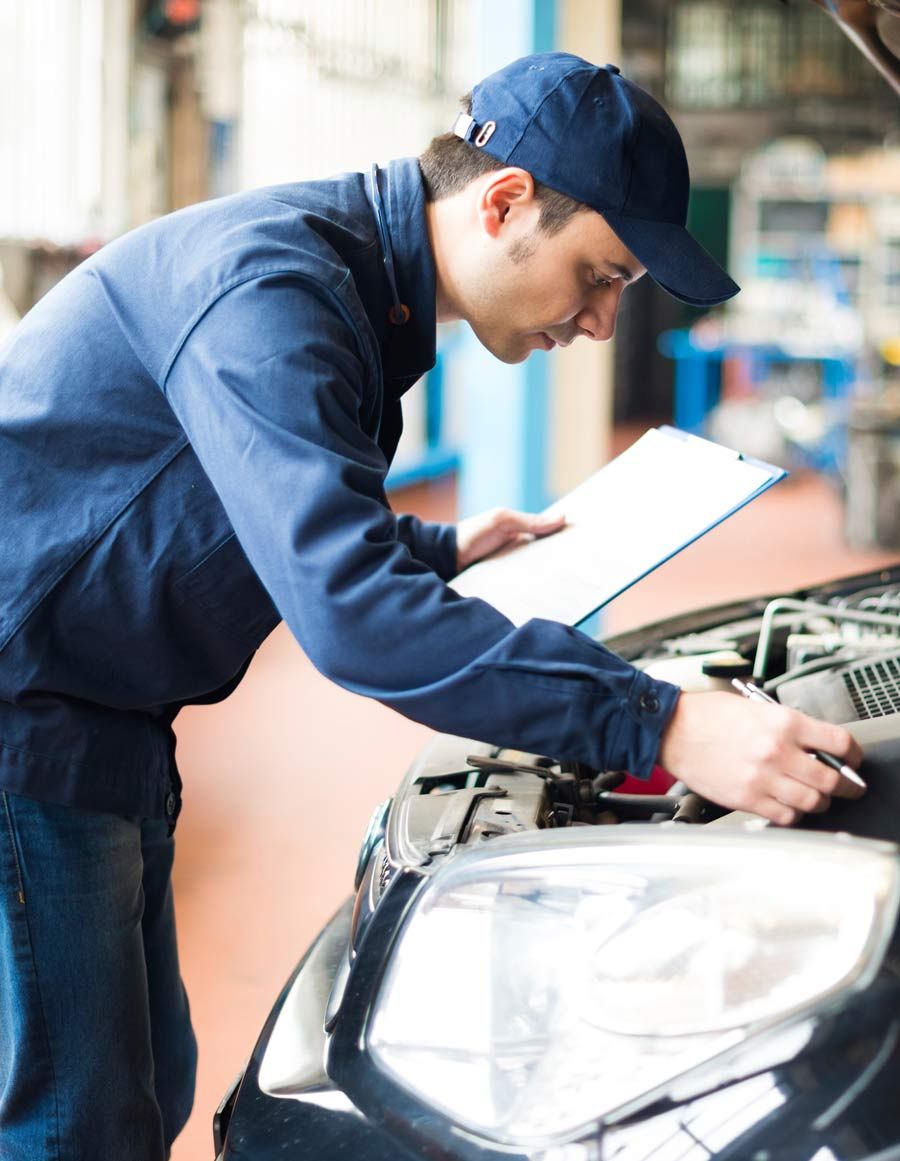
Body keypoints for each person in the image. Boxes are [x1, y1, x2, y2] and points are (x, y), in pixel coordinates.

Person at [0, 51, 862, 1159]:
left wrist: (440, 545)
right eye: (603, 276)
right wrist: (665, 723)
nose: (601, 323)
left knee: (145, 1088)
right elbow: (351, 615)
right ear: (503, 202)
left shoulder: (360, 292)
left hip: (103, 716)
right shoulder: (273, 291)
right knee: (75, 1124)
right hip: (28, 715)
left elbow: (221, 495)